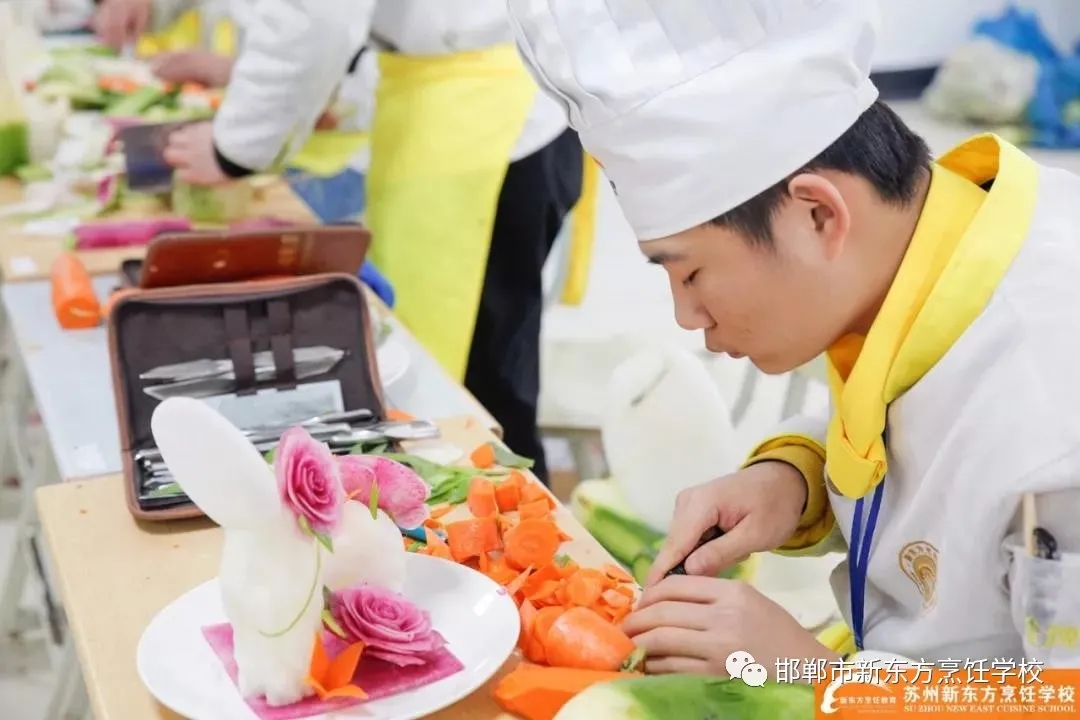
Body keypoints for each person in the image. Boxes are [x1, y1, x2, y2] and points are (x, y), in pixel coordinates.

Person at [507, 0, 1080, 674]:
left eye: (690, 273)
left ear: (816, 214)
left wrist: (811, 671)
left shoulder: (1053, 428)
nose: (687, 316)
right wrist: (794, 478)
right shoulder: (934, 240)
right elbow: (916, 414)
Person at [93, 0, 588, 484]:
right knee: (464, 372)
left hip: (488, 123)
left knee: (481, 392)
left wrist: (233, 149)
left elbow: (314, 16)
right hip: (441, 105)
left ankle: (523, 545)